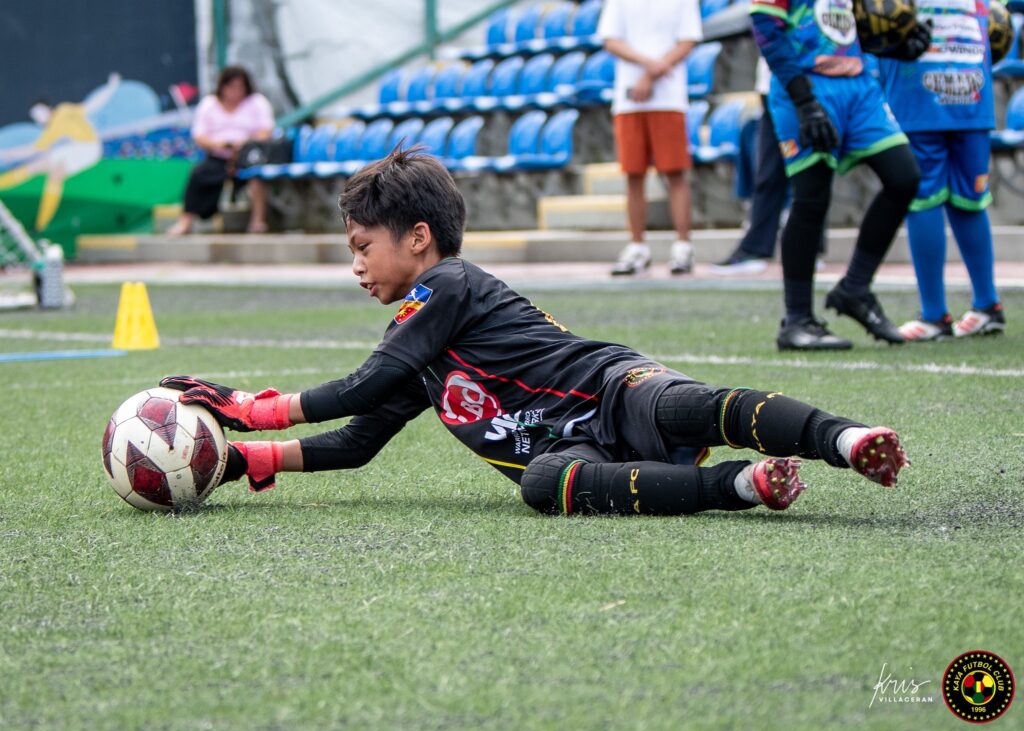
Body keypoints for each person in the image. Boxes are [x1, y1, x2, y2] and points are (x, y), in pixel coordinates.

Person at [159, 147, 910, 517]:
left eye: (363, 247)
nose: (356, 266)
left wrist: (251, 408)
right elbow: (359, 441)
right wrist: (239, 461)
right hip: (571, 448)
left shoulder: (445, 286)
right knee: (543, 486)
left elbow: (366, 384)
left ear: (418, 238)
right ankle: (740, 485)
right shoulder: (421, 348)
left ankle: (845, 440)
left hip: (616, 391)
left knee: (688, 406)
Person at [750, 0, 932, 350]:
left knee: (904, 178)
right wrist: (804, 102)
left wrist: (896, 45)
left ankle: (855, 289)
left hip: (859, 85)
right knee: (812, 198)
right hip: (806, 86)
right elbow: (765, 28)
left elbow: (852, 26)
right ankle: (797, 319)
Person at [876, 0, 1006, 340]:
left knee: (924, 199)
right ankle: (987, 306)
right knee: (970, 200)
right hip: (973, 93)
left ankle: (934, 315)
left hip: (918, 95)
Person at [597, 0, 703, 276]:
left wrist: (651, 72)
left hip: (669, 98)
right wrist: (649, 66)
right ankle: (637, 246)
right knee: (634, 174)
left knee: (675, 173)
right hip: (629, 99)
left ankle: (682, 245)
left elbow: (688, 40)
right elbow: (611, 40)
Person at [712, 59, 826, 275]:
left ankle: (810, 249)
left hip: (806, 88)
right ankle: (756, 249)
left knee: (811, 172)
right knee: (768, 175)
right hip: (772, 90)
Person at [0, 73, 121, 232]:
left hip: (90, 148)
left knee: (56, 171)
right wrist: (6, 153)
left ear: (47, 108)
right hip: (75, 149)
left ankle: (41, 225)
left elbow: (91, 105)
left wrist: (112, 87)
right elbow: (32, 150)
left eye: (39, 112)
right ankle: (39, 222)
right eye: (35, 116)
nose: (38, 117)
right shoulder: (50, 130)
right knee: (35, 167)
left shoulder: (65, 110)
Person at [167, 66, 274, 236]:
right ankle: (185, 222)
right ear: (222, 87)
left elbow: (266, 131)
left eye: (240, 87)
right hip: (218, 157)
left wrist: (244, 143)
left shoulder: (256, 102)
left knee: (256, 176)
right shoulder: (209, 104)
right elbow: (199, 135)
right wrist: (218, 144)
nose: (235, 92)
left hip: (248, 156)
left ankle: (258, 222)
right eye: (231, 86)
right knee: (198, 174)